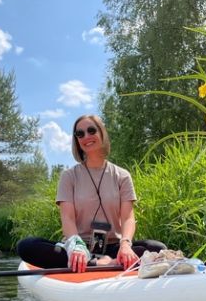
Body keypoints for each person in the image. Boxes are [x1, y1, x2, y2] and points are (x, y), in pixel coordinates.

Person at [17, 114, 166, 271]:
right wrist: (76, 246)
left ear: (102, 133)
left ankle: (114, 259)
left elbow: (128, 218)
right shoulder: (69, 176)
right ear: (77, 140)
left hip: (114, 246)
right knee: (26, 246)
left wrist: (126, 244)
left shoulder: (122, 175)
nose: (86, 136)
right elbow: (67, 218)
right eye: (79, 134)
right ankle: (98, 263)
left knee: (157, 248)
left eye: (91, 130)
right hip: (79, 247)